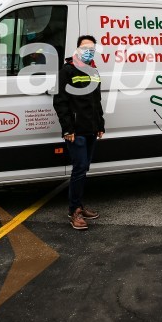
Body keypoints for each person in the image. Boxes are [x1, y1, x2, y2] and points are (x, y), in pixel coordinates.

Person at [54, 35, 105, 230]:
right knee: (79, 168)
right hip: (76, 131)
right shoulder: (67, 71)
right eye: (85, 47)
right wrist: (67, 128)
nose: (89, 51)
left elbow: (96, 101)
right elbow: (60, 102)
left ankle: (79, 206)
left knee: (84, 169)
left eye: (92, 48)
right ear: (77, 49)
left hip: (91, 129)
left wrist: (100, 125)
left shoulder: (93, 70)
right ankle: (74, 211)